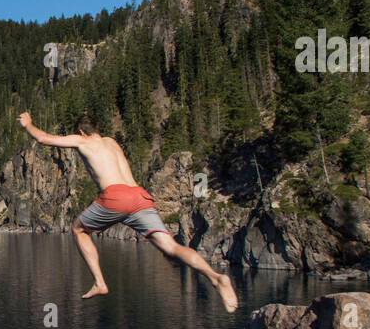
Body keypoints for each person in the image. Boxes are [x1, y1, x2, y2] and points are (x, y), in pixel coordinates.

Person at [17, 111, 238, 312]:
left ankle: (100, 282)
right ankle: (216, 277)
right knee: (172, 247)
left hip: (116, 197)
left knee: (78, 230)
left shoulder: (81, 140)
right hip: (140, 196)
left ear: (82, 131)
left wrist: (28, 124)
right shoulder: (111, 142)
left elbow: (43, 138)